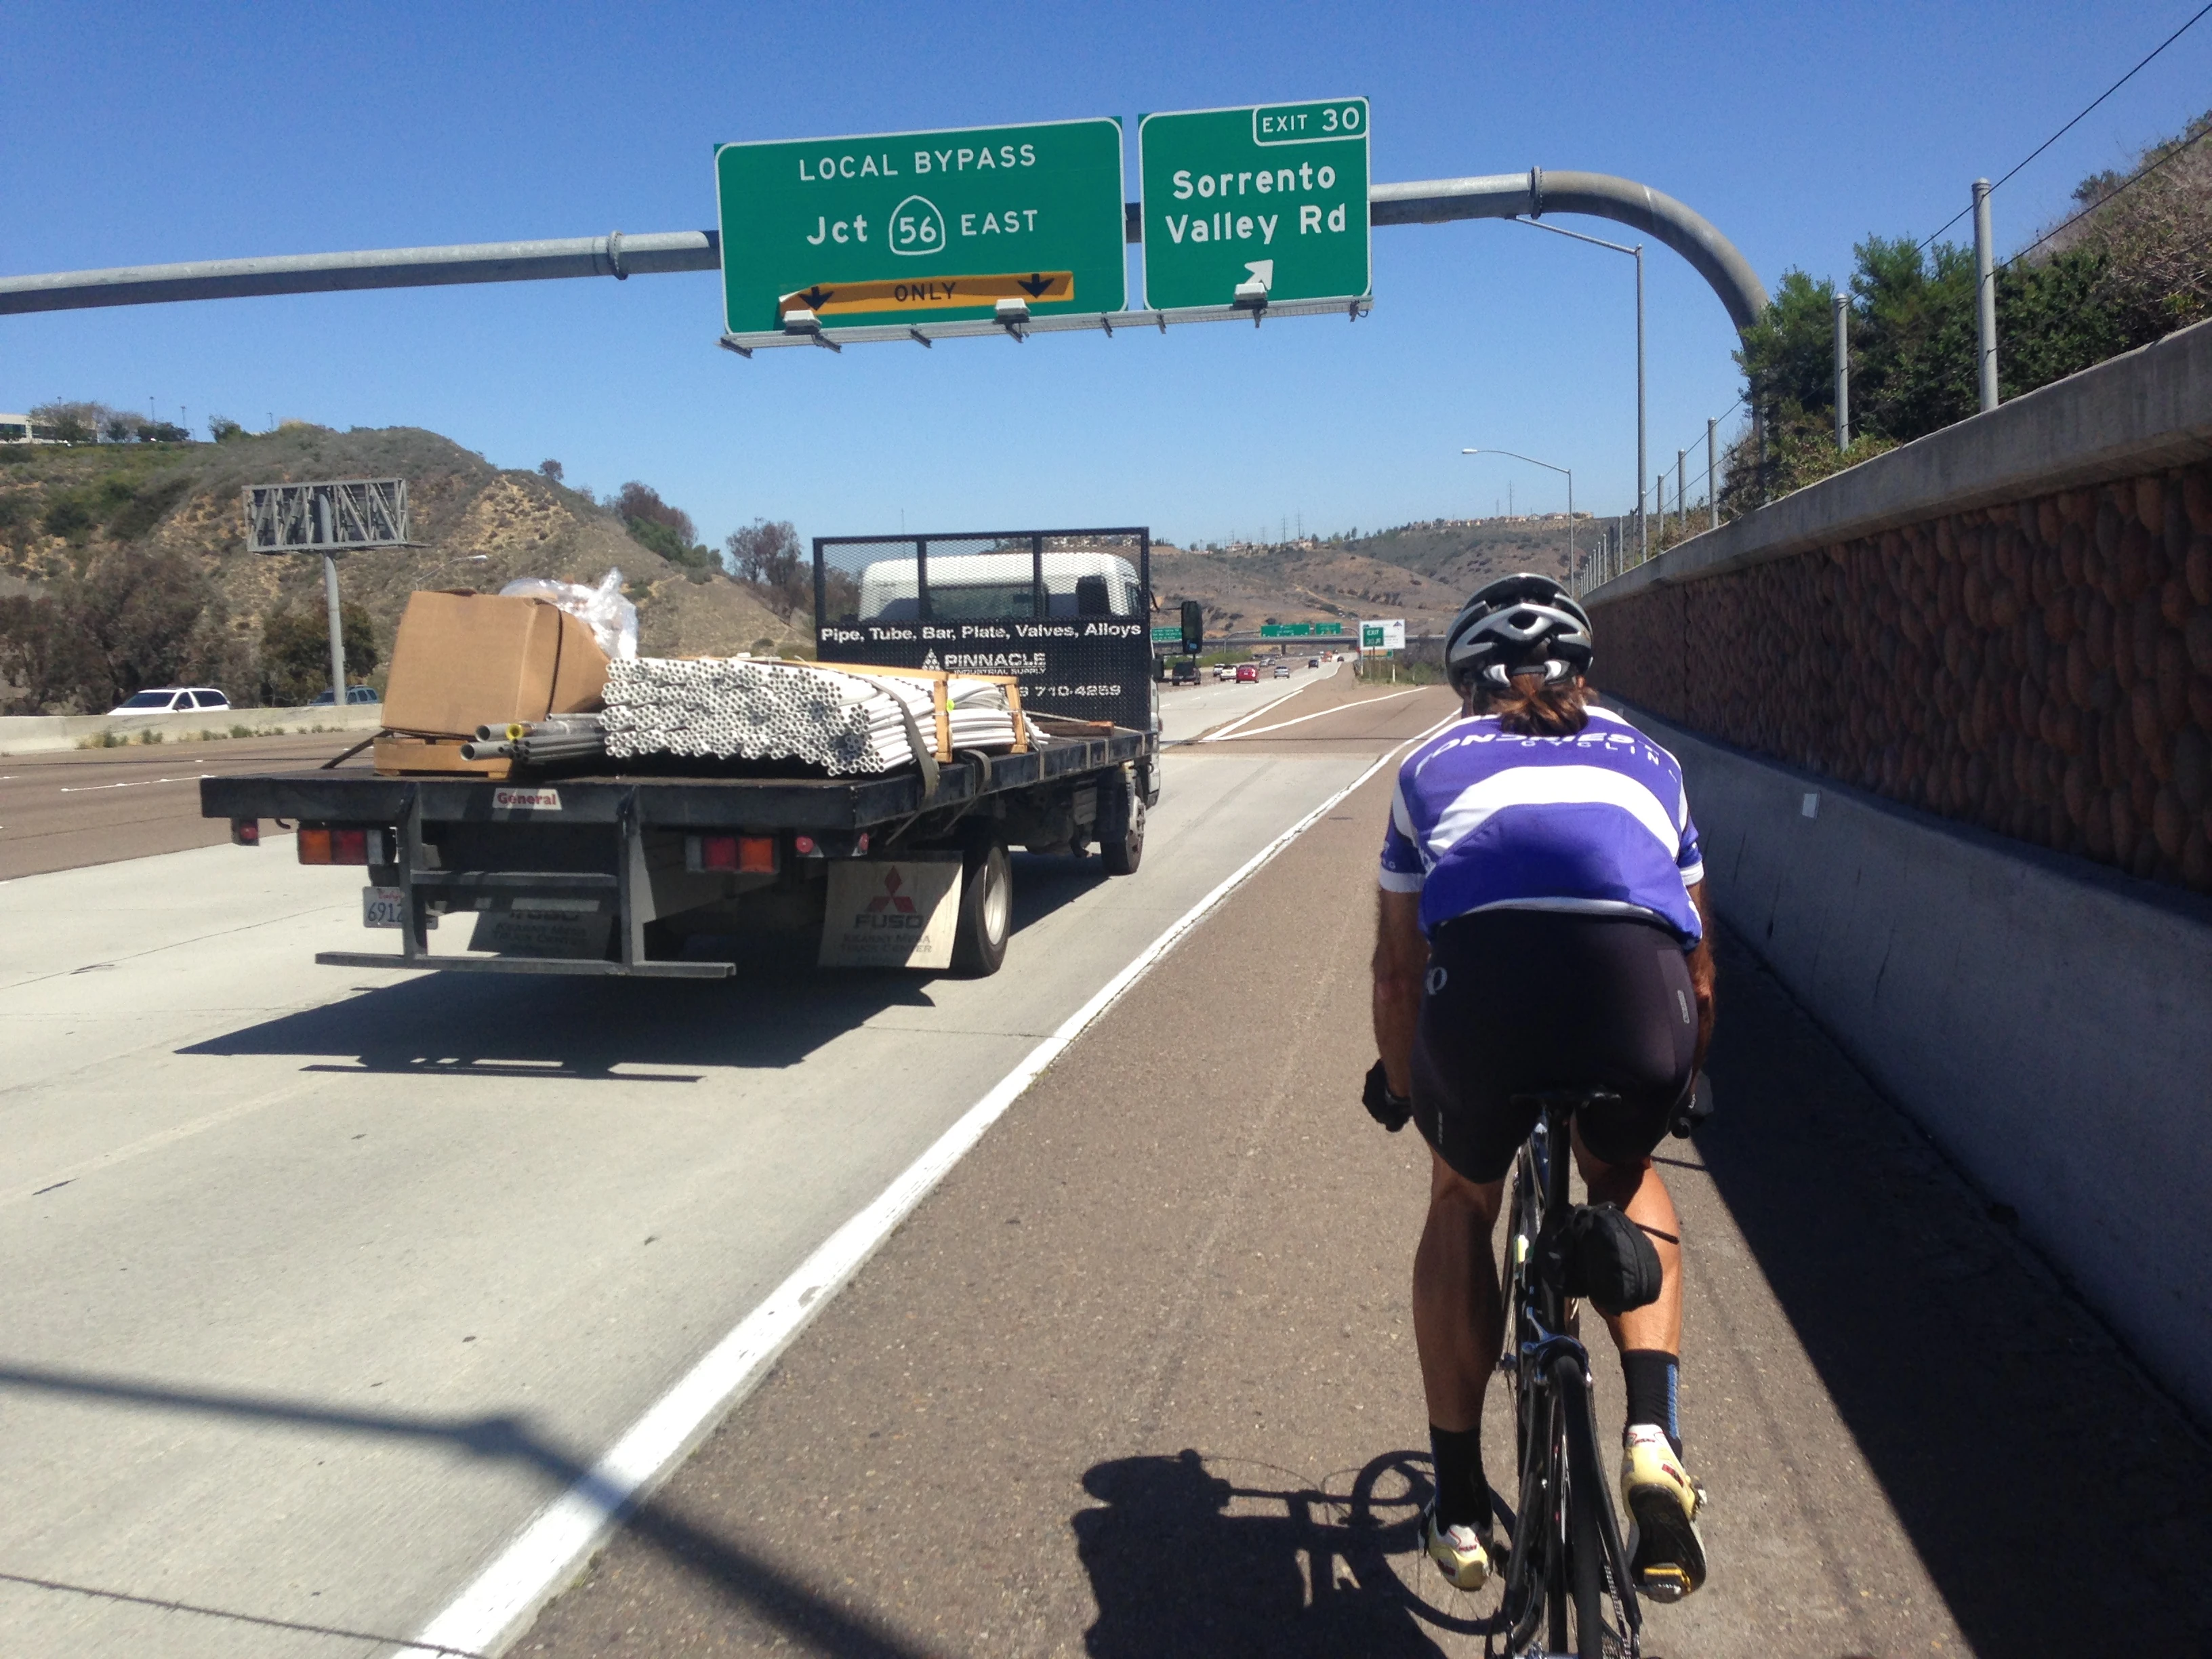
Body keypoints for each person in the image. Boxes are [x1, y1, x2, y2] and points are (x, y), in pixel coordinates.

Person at [1364, 573, 1713, 1603]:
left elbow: (1396, 968)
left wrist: (1400, 1082)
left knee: (1461, 1201)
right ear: (1585, 675)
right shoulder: (1655, 764)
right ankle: (1653, 1436)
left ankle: (1464, 1504)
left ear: (1469, 681)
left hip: (1486, 1010)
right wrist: (1684, 1083)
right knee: (1628, 1175)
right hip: (1637, 1005)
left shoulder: (1428, 765)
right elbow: (1697, 965)